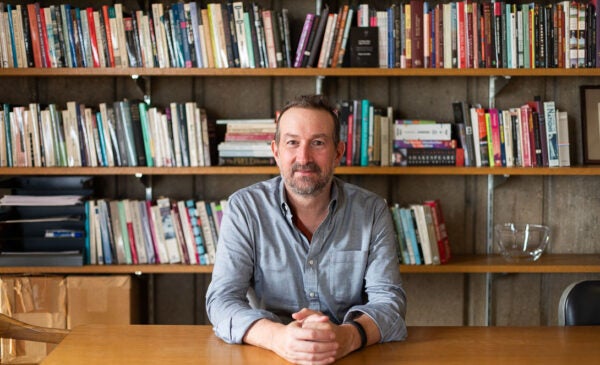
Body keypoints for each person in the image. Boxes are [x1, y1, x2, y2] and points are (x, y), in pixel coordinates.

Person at [206, 94, 407, 364]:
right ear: (275, 151)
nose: (304, 157)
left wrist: (347, 337)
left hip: (349, 355)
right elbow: (221, 301)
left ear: (338, 152)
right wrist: (277, 337)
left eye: (318, 143)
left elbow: (389, 303)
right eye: (292, 143)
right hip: (268, 354)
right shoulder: (244, 208)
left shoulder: (372, 211)